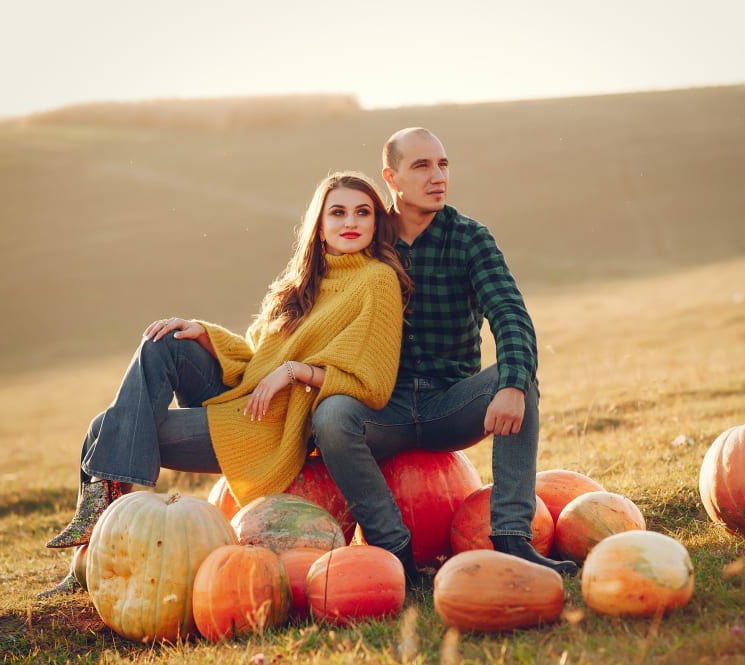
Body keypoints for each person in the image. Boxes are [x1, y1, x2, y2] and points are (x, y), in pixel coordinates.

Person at [40, 171, 409, 596]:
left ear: (376, 222)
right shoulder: (302, 282)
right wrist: (201, 333)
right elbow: (256, 357)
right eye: (338, 212)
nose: (351, 222)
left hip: (268, 425)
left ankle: (91, 552)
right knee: (162, 341)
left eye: (362, 212)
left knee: (104, 427)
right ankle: (102, 528)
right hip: (245, 396)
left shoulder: (376, 281)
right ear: (319, 226)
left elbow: (372, 383)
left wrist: (296, 372)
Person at [312, 128, 577, 583]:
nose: (437, 176)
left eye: (443, 165)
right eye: (421, 166)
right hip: (384, 408)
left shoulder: (469, 238)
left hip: (449, 404)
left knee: (518, 377)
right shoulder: (367, 237)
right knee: (333, 416)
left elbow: (509, 312)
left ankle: (513, 538)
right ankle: (395, 552)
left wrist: (512, 385)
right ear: (391, 177)